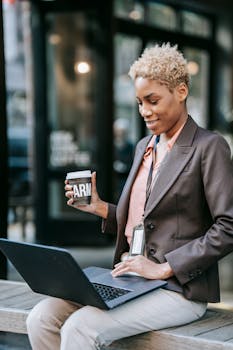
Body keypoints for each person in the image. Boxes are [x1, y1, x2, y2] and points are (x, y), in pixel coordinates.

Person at [26, 43, 233, 350]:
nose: (144, 111)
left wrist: (166, 267)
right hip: (128, 278)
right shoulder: (144, 147)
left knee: (82, 328)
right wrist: (101, 209)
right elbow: (146, 219)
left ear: (181, 91)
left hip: (178, 289)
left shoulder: (209, 146)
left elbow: (228, 225)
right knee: (41, 317)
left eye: (152, 100)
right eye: (139, 102)